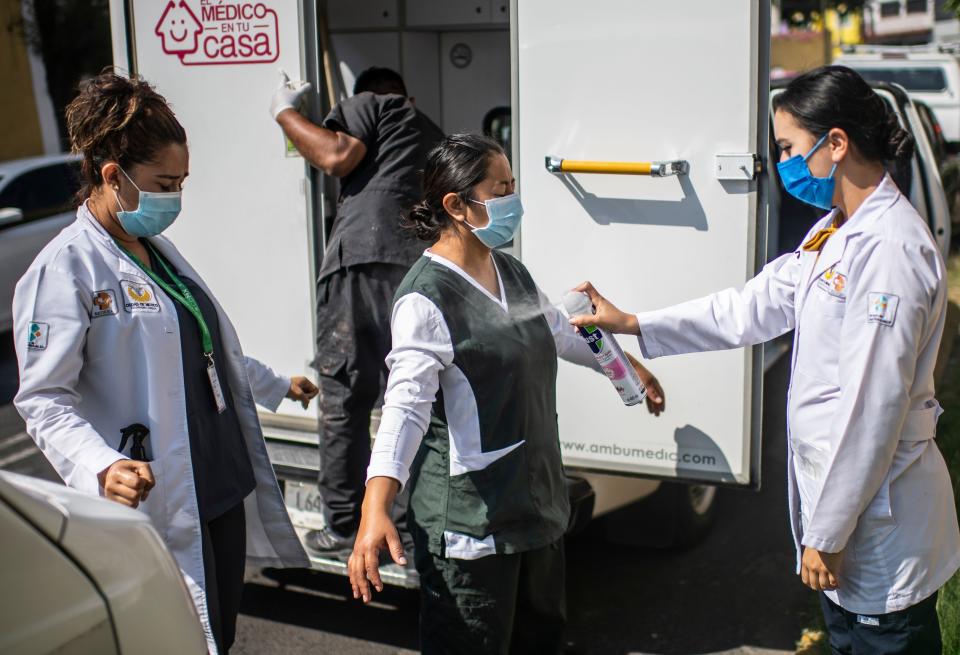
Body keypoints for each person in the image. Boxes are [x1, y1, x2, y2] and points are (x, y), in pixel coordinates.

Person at [569, 66, 960, 655]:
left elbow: (871, 408)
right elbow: (746, 309)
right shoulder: (835, 231)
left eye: (787, 148)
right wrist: (633, 324)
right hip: (849, 520)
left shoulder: (891, 252)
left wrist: (826, 535)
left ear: (836, 143)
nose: (782, 165)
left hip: (879, 528)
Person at [13, 72, 318, 654]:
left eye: (181, 182)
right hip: (159, 491)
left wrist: (276, 383)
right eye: (164, 183)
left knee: (216, 636)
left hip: (218, 484)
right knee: (171, 640)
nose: (175, 197)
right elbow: (43, 399)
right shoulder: (66, 269)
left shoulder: (154, 252)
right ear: (113, 176)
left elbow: (202, 348)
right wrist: (101, 464)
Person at [346, 134, 666, 654]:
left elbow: (559, 331)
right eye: (502, 190)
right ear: (456, 205)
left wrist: (628, 369)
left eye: (513, 186)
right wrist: (375, 506)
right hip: (472, 527)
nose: (514, 201)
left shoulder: (508, 270)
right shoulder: (425, 301)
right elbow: (404, 411)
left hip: (535, 504)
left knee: (540, 641)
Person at [270, 66, 445, 557]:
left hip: (360, 266)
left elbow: (336, 154)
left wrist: (283, 112)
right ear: (407, 93)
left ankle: (345, 526)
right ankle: (409, 530)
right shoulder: (433, 135)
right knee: (410, 398)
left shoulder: (373, 104)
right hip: (417, 273)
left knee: (345, 396)